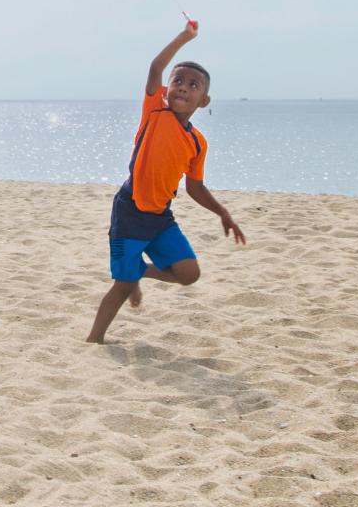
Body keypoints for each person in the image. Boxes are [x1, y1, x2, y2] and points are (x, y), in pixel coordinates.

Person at [87, 20, 244, 344]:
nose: (184, 87)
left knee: (189, 274)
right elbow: (156, 65)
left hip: (160, 218)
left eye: (193, 85)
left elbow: (194, 187)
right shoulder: (154, 111)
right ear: (167, 88)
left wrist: (222, 212)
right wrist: (185, 37)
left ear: (204, 101)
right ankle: (94, 340)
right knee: (121, 286)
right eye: (179, 81)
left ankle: (140, 271)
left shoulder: (197, 143)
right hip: (129, 213)